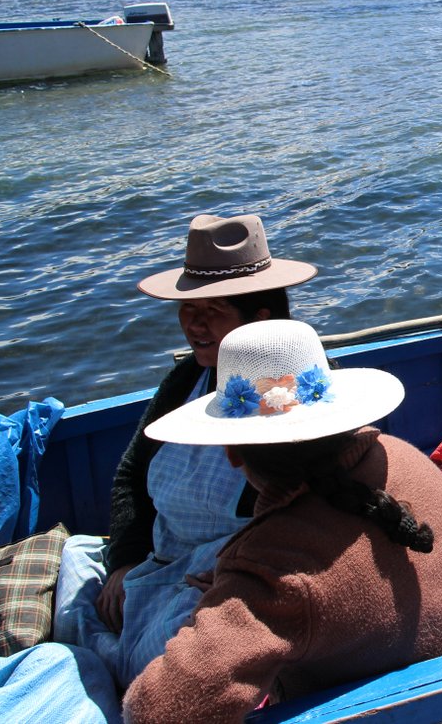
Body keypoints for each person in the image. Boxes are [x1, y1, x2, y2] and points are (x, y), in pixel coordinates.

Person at [121, 320, 442, 722]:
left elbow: (153, 710)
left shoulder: (274, 569)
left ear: (233, 454)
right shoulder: (402, 456)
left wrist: (232, 598)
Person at [53, 214, 317, 687]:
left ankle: (104, 671)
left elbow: (308, 511)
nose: (192, 323)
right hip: (161, 556)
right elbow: (131, 475)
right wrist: (125, 563)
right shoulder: (184, 383)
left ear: (259, 321)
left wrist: (234, 574)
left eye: (212, 310)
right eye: (186, 308)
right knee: (75, 553)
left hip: (225, 571)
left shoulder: (294, 391)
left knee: (162, 662)